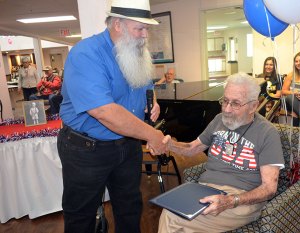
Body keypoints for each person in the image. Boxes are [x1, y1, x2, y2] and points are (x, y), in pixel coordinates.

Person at [57, 0, 166, 232]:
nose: (145, 34)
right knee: (82, 215)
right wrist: (152, 135)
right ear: (118, 24)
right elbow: (105, 112)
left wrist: (152, 98)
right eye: (140, 28)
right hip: (86, 149)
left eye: (146, 28)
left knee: (130, 207)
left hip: (127, 145)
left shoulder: (135, 50)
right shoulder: (86, 54)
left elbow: (145, 83)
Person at [158, 73, 285, 233]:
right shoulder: (219, 120)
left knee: (171, 216)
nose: (227, 109)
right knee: (174, 214)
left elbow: (269, 188)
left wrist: (230, 201)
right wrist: (170, 145)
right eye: (225, 101)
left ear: (253, 106)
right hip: (205, 190)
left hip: (242, 199)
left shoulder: (267, 132)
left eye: (235, 103)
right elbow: (193, 148)